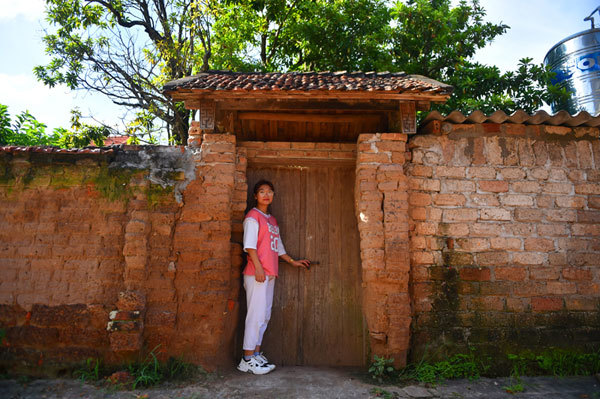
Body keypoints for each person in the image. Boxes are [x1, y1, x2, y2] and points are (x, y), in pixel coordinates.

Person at [237, 179, 310, 375]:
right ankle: (246, 359)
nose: (266, 195)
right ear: (255, 196)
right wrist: (259, 268)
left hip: (269, 273)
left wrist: (292, 261)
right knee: (255, 315)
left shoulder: (272, 220)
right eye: (262, 191)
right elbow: (250, 246)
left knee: (264, 315)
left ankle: (256, 354)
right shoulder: (253, 217)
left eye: (270, 191)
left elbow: (277, 247)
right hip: (256, 274)